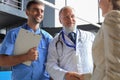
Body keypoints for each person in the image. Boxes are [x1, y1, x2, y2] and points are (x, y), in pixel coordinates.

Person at [0, 0, 53, 80]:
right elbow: (2, 61)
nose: (39, 13)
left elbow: (52, 64)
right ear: (27, 12)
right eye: (35, 10)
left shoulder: (48, 38)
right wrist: (26, 57)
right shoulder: (13, 34)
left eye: (42, 11)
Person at [46, 6, 95, 80]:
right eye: (66, 17)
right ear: (60, 20)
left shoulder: (89, 36)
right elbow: (50, 65)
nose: (70, 19)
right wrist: (65, 75)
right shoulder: (54, 42)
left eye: (72, 16)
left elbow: (99, 58)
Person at [91, 0, 120, 80]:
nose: (99, 5)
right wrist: (85, 77)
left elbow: (116, 69)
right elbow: (103, 66)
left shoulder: (113, 17)